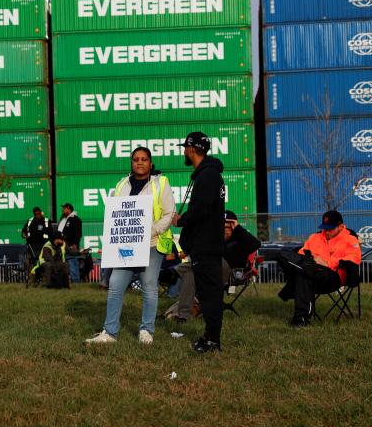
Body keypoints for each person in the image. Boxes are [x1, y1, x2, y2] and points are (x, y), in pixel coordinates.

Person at [86, 146, 175, 345]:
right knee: (115, 286)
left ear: (151, 163)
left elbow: (170, 214)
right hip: (126, 246)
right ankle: (110, 333)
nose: (140, 162)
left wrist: (150, 231)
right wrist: (111, 241)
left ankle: (146, 331)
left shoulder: (161, 182)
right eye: (136, 159)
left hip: (152, 243)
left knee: (149, 287)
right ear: (131, 162)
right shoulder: (121, 184)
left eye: (144, 159)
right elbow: (115, 216)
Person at [172, 132, 226, 353]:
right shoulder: (208, 175)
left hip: (206, 245)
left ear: (192, 149)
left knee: (210, 295)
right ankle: (210, 336)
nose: (184, 152)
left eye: (185, 148)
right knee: (207, 293)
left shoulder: (207, 176)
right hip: (207, 244)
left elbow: (201, 210)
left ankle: (212, 340)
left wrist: (181, 220)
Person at [165, 210, 261, 322]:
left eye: (228, 227)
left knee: (209, 261)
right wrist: (188, 225)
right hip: (207, 271)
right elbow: (188, 246)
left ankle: (173, 272)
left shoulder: (241, 239)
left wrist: (238, 228)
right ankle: (182, 316)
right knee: (190, 275)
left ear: (234, 226)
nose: (224, 230)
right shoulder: (215, 240)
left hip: (229, 274)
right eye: (222, 227)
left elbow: (256, 244)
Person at [277, 210, 361, 327]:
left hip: (333, 276)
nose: (326, 231)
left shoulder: (350, 239)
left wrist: (327, 263)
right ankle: (300, 319)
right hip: (312, 272)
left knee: (304, 271)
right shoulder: (314, 237)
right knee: (302, 271)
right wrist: (312, 260)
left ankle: (297, 270)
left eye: (330, 228)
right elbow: (302, 253)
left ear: (341, 226)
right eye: (324, 228)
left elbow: (354, 258)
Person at [57, 202, 83, 283]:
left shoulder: (75, 219)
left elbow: (78, 233)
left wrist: (75, 244)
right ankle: (64, 281)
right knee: (63, 263)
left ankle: (76, 281)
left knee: (72, 262)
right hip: (61, 245)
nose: (63, 210)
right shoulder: (63, 219)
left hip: (71, 245)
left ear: (68, 208)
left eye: (64, 208)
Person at [21, 207, 52, 271]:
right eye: (36, 214)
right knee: (33, 260)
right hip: (32, 245)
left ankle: (43, 275)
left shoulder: (46, 221)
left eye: (39, 213)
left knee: (43, 260)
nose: (37, 215)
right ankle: (34, 274)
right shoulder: (30, 221)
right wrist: (24, 234)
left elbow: (51, 233)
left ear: (41, 213)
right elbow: (24, 231)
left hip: (43, 244)